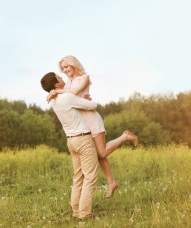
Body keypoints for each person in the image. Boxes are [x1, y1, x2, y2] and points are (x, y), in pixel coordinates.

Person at [47, 55, 139, 198]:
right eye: (62, 68)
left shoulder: (84, 78)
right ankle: (111, 182)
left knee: (101, 153)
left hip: (91, 120)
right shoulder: (67, 83)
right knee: (97, 155)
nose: (64, 70)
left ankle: (125, 136)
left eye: (67, 67)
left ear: (74, 65)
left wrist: (57, 91)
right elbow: (66, 98)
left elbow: (74, 94)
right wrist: (53, 92)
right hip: (81, 125)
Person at [41, 72, 99, 220]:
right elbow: (93, 105)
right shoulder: (67, 97)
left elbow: (75, 107)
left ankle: (75, 212)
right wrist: (86, 100)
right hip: (83, 140)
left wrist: (80, 100)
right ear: (56, 84)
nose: (62, 77)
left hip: (71, 141)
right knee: (90, 178)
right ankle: (84, 215)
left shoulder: (54, 101)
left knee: (78, 177)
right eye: (59, 77)